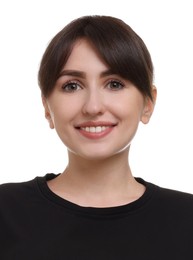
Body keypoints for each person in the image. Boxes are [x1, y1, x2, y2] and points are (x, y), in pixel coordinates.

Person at [0, 15, 193, 260]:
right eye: (72, 85)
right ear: (47, 107)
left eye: (114, 84)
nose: (93, 107)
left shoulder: (186, 219)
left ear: (148, 103)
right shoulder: (6, 211)